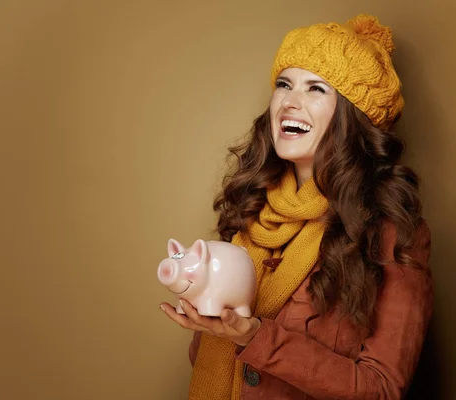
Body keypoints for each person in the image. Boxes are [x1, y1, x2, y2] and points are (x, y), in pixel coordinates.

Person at [160, 13, 433, 400]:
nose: (290, 101)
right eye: (284, 84)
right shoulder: (253, 209)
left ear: (353, 116)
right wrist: (207, 311)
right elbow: (213, 363)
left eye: (316, 89)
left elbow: (381, 388)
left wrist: (257, 336)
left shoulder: (391, 232)